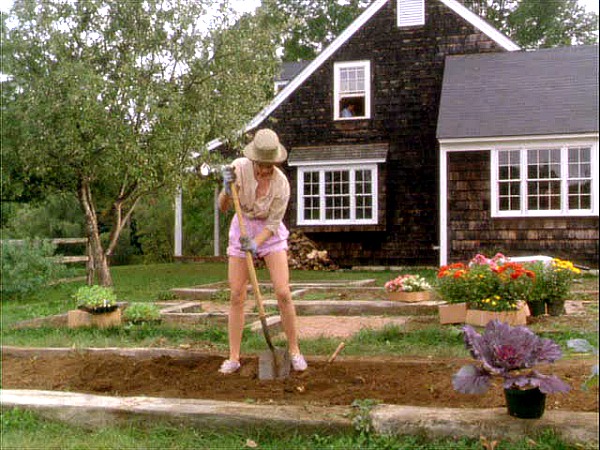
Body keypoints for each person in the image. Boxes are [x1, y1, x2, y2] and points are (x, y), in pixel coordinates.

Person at [217, 128, 307, 374]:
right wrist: (226, 189)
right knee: (236, 295)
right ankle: (234, 357)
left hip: (269, 235)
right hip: (242, 228)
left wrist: (257, 243)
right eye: (260, 165)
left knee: (283, 293)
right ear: (253, 158)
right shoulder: (238, 168)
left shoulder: (282, 185)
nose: (264, 170)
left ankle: (294, 350)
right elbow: (223, 207)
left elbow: (272, 225)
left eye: (270, 165)